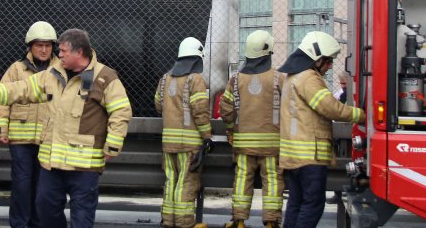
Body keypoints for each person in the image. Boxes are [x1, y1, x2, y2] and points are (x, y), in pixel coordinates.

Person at [0, 28, 132, 228]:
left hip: (84, 166)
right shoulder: (52, 74)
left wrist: (113, 144)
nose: (58, 55)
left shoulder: (105, 77)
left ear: (79, 52)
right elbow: (24, 88)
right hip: (52, 164)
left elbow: (121, 112)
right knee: (44, 208)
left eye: (63, 51)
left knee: (81, 216)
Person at [278, 31, 366, 228]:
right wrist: (360, 115)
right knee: (312, 205)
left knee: (295, 203)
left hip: (293, 157)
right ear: (316, 58)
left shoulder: (292, 77)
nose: (330, 66)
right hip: (310, 156)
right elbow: (330, 108)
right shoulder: (309, 78)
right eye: (327, 61)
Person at [0, 21, 60, 228]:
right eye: (39, 45)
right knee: (22, 186)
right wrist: (1, 129)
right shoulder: (16, 69)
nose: (44, 49)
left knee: (43, 189)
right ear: (30, 46)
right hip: (20, 141)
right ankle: (20, 224)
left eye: (48, 45)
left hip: (47, 141)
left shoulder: (60, 71)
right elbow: (2, 98)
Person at [218, 30, 283, 228]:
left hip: (243, 144)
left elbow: (226, 109)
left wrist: (230, 129)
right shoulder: (278, 78)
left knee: (241, 181)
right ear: (268, 53)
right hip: (272, 144)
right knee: (272, 181)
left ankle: (238, 221)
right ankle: (271, 222)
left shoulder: (236, 80)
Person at [154, 37, 212, 228]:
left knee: (171, 181)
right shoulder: (195, 79)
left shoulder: (165, 78)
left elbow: (158, 105)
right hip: (189, 145)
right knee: (186, 184)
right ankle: (185, 223)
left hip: (167, 144)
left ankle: (169, 221)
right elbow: (200, 111)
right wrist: (207, 137)